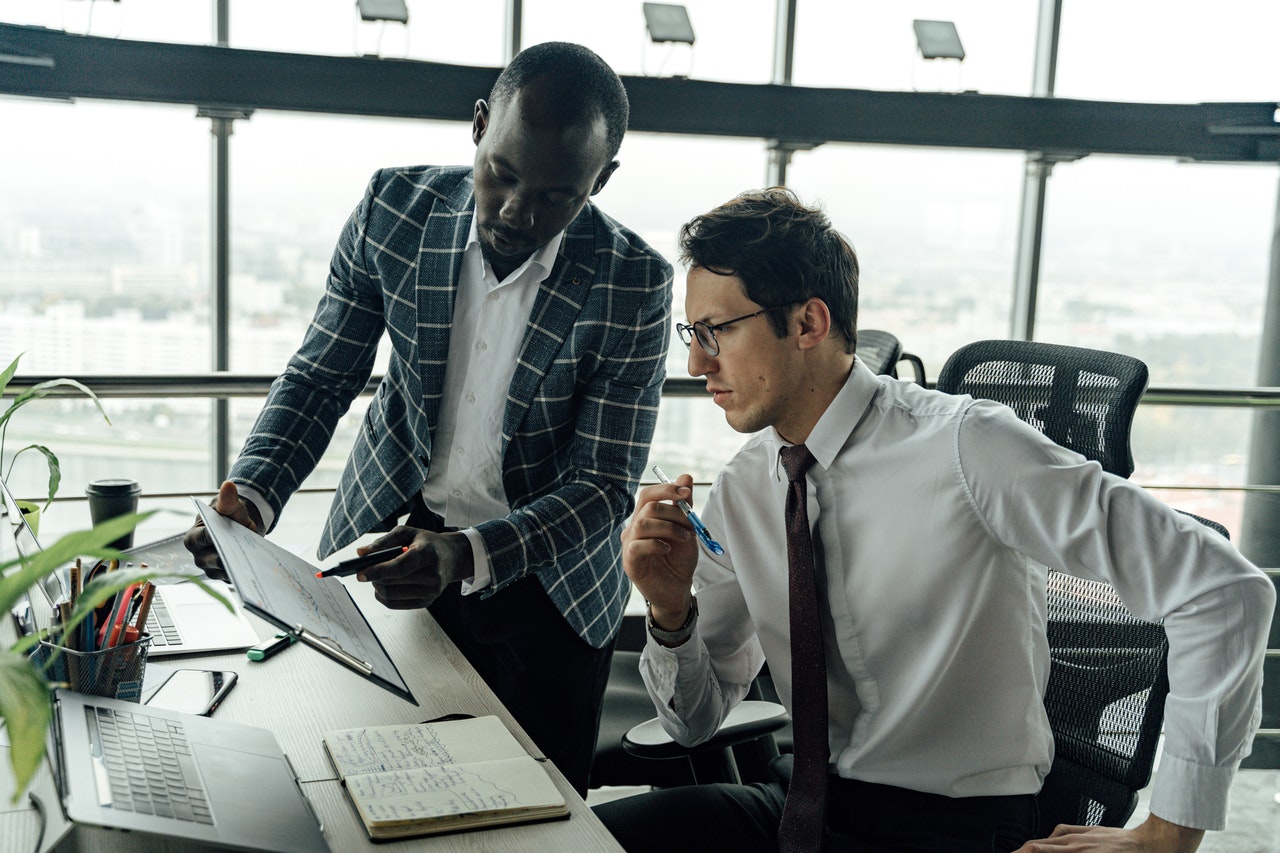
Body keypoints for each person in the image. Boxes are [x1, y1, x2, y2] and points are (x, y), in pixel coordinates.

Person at [594, 187, 1273, 852]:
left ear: (808, 324)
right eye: (693, 332)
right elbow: (693, 724)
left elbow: (1225, 589)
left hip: (953, 825)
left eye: (716, 331)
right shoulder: (748, 483)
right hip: (806, 805)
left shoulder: (966, 446)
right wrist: (669, 609)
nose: (694, 362)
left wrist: (1168, 833)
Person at [183, 41, 673, 796]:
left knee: (533, 817)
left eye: (554, 196)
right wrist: (250, 496)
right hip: (389, 541)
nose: (517, 210)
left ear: (600, 181)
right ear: (479, 126)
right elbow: (321, 376)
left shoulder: (632, 283)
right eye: (502, 175)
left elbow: (604, 486)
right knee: (357, 779)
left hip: (551, 585)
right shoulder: (395, 212)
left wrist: (467, 553)